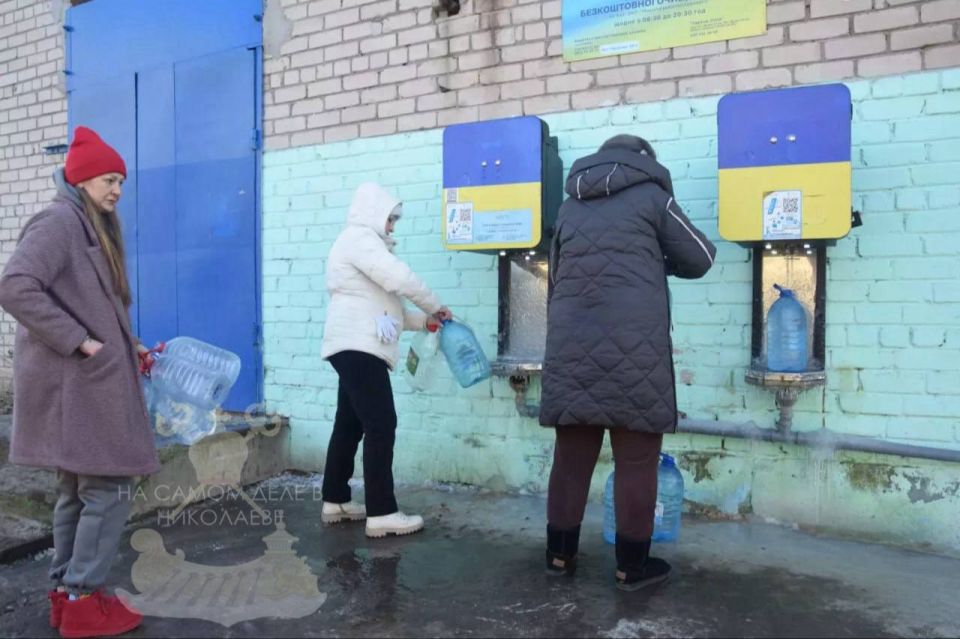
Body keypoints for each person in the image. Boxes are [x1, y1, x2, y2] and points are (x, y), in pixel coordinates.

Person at [0, 127, 159, 636]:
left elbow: (90, 303)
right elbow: (15, 287)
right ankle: (82, 597)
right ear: (82, 179)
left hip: (85, 382)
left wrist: (129, 344)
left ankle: (69, 595)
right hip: (78, 384)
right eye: (109, 180)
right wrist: (81, 341)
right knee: (109, 489)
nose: (117, 190)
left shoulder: (88, 223)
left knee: (78, 491)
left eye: (121, 182)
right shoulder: (59, 222)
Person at [539, 135, 716, 591]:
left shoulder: (569, 208)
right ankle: (631, 567)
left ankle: (559, 554)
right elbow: (700, 257)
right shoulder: (654, 198)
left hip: (571, 345)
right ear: (644, 162)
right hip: (634, 348)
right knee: (637, 459)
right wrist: (655, 259)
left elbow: (556, 275)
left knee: (570, 456)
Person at [320, 182, 451, 538]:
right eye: (390, 218)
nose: (392, 226)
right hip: (359, 347)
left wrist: (424, 321)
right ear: (373, 213)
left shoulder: (363, 245)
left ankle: (335, 499)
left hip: (353, 343)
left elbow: (386, 310)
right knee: (381, 423)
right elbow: (400, 279)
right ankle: (382, 513)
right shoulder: (360, 239)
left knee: (350, 424)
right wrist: (435, 305)